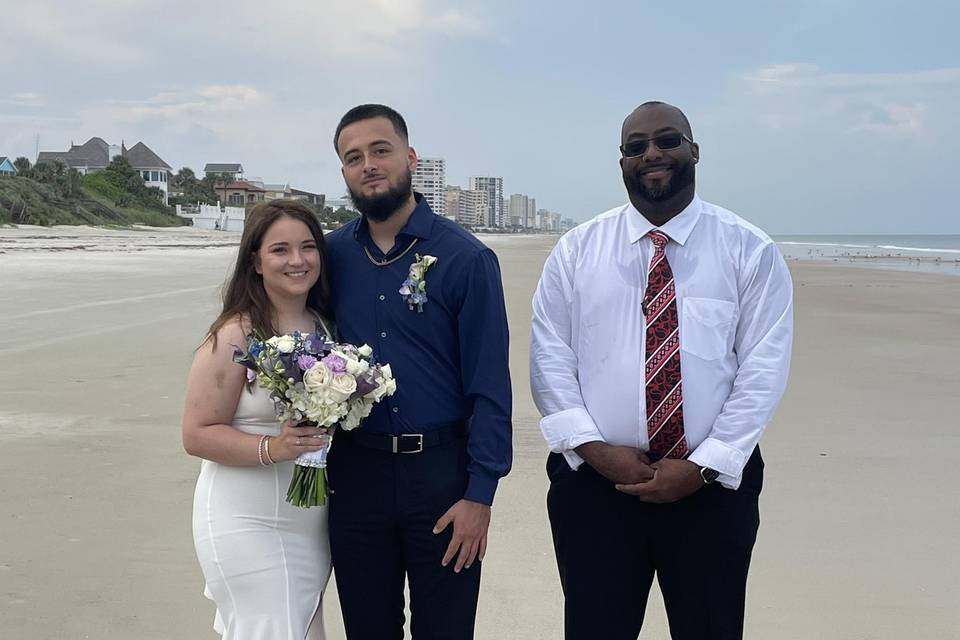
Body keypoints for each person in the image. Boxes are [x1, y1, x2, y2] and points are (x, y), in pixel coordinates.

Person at [530, 101, 794, 640]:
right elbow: (549, 356)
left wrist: (704, 465)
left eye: (667, 140)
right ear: (622, 161)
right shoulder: (576, 251)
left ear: (693, 150)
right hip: (595, 489)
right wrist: (595, 451)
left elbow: (762, 369)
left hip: (711, 491)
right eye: (636, 146)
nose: (652, 153)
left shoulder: (749, 249)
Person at [324, 104, 513, 639]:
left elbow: (490, 388)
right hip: (355, 476)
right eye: (353, 157)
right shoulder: (330, 256)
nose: (369, 165)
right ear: (344, 172)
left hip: (442, 479)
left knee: (446, 630)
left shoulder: (465, 259)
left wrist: (480, 495)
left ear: (409, 157)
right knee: (367, 628)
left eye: (380, 150)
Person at [182, 199, 336, 639]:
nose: (297, 260)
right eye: (280, 250)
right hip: (243, 518)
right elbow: (196, 434)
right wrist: (275, 448)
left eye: (308, 247)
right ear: (255, 260)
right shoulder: (236, 332)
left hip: (308, 522)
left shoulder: (325, 328)